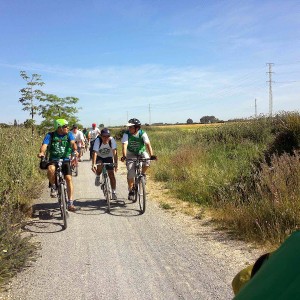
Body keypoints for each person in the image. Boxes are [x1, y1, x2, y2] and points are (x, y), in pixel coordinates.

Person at [37, 119, 78, 211]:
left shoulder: (69, 134)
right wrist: (42, 152)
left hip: (65, 159)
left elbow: (72, 143)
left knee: (68, 178)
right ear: (59, 127)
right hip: (53, 159)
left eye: (67, 126)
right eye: (65, 126)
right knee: (51, 169)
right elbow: (44, 145)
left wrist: (75, 150)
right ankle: (53, 186)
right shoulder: (50, 135)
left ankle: (70, 203)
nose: (67, 128)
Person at [121, 118, 156, 201]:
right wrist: (124, 155)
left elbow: (148, 144)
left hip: (141, 152)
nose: (129, 129)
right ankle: (131, 190)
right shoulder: (126, 134)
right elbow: (124, 145)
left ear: (137, 128)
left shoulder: (142, 133)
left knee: (147, 161)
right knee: (130, 172)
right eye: (129, 127)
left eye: (131, 127)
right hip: (130, 153)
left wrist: (152, 155)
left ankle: (143, 174)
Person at [92, 128, 118, 200]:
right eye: (104, 136)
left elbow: (115, 153)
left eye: (107, 136)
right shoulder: (98, 140)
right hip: (100, 157)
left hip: (109, 157)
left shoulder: (112, 140)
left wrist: (116, 164)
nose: (106, 138)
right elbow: (95, 153)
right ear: (101, 136)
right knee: (99, 166)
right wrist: (93, 164)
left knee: (111, 175)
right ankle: (98, 176)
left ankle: (113, 192)